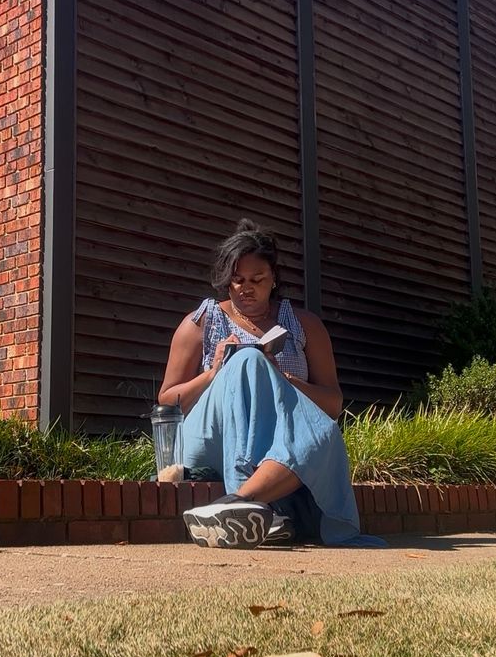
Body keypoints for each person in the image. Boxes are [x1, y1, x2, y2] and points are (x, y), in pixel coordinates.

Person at [159, 218, 372, 549]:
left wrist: (284, 380)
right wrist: (214, 373)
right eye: (237, 281)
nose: (247, 288)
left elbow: (331, 405)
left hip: (277, 438)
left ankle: (240, 503)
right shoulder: (200, 322)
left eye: (257, 279)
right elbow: (168, 402)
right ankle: (255, 505)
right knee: (248, 360)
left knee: (324, 434)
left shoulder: (305, 325)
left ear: (274, 278)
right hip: (209, 436)